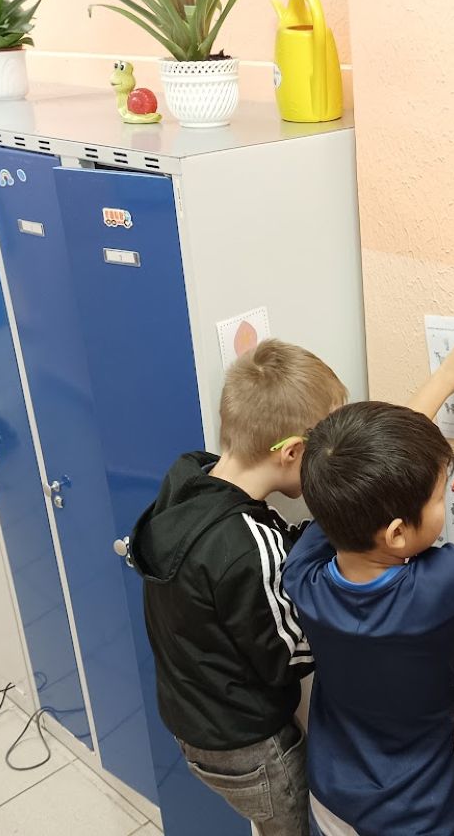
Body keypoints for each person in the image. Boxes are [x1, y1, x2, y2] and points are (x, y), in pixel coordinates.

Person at [128, 340, 347, 835]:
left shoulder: (187, 479)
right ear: (293, 453)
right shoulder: (249, 547)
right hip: (252, 748)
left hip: (194, 725)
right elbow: (290, 654)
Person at [282, 392, 454, 835]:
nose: (443, 503)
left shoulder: (303, 574)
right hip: (420, 811)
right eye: (439, 497)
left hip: (332, 799)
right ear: (396, 533)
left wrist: (442, 384)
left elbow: (352, 484)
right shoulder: (441, 585)